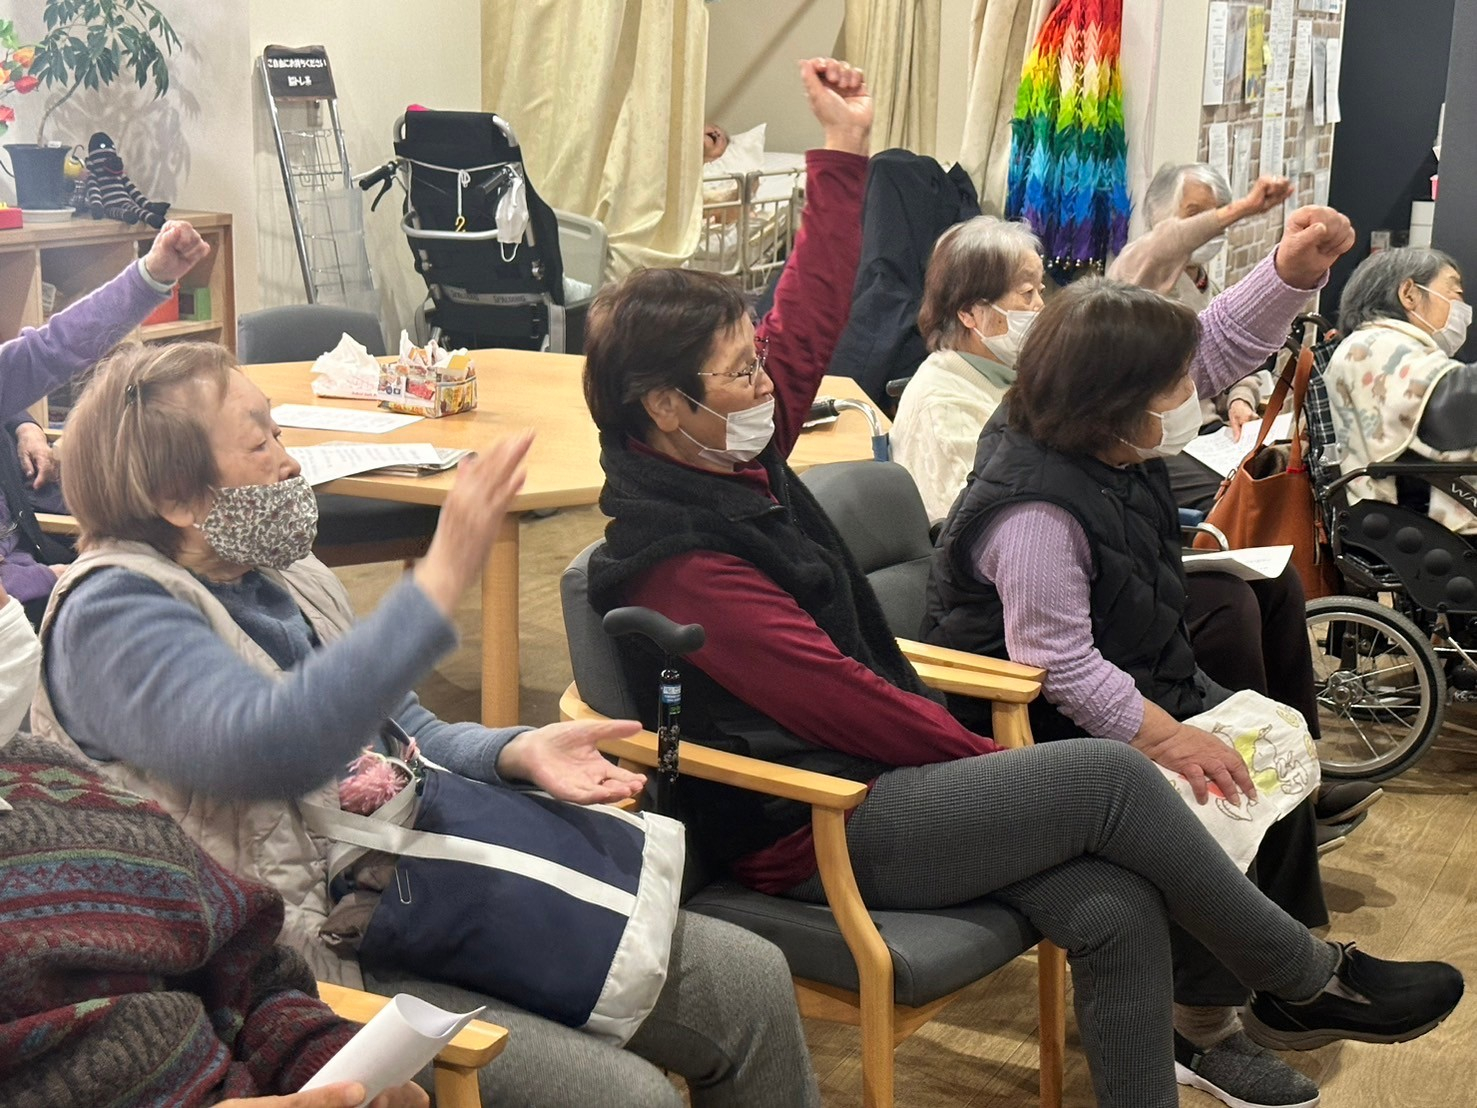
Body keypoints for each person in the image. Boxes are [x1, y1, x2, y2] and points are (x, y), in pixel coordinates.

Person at [578, 63, 1464, 1108]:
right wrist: (1004, 773)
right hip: (811, 826)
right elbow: (846, 703)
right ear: (663, 406)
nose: (768, 382)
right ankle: (1308, 977)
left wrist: (845, 151)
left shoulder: (730, 456)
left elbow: (805, 317)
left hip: (887, 779)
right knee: (1106, 780)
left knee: (1112, 903)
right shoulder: (681, 562)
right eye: (740, 372)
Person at [38, 339, 818, 1108]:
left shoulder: (280, 572)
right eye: (259, 442)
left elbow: (403, 732)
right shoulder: (110, 615)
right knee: (628, 1099)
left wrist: (516, 749)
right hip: (307, 971)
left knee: (749, 980)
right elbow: (269, 747)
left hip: (416, 885)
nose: (289, 461)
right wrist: (439, 581)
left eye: (278, 430)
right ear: (176, 497)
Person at [0, 566, 420, 1108]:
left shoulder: (42, 774)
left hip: (346, 927)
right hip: (342, 920)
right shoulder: (113, 610)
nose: (7, 598)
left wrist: (329, 1063)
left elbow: (247, 969)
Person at [0, 219, 210, 623]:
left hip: (37, 557)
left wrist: (151, 276)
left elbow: (54, 346)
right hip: (22, 605)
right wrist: (47, 579)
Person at [889, 216, 1045, 523]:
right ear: (969, 313)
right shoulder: (943, 407)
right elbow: (974, 523)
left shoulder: (1006, 373)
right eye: (1027, 293)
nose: (1040, 306)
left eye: (1040, 290)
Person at [1323, 246, 1477, 532]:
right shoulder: (1378, 344)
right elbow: (1452, 414)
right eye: (1455, 292)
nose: (1463, 309)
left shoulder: (1374, 345)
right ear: (1409, 293)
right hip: (1420, 529)